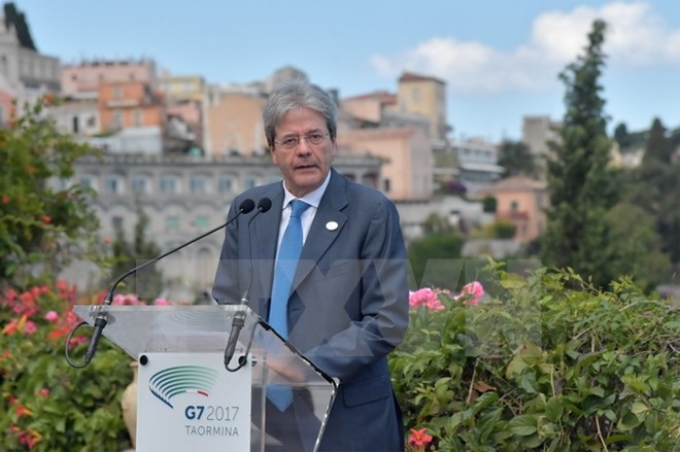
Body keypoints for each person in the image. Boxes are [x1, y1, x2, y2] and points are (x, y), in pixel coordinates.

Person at [212, 79, 409, 451]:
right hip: (262, 418)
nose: (304, 150)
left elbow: (387, 320)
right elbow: (226, 302)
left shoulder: (372, 212)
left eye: (315, 137)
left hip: (348, 422)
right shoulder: (249, 210)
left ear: (334, 143)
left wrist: (303, 365)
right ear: (273, 151)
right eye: (290, 140)